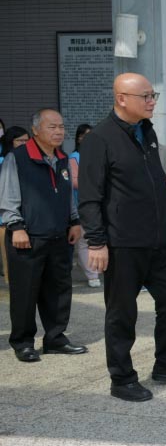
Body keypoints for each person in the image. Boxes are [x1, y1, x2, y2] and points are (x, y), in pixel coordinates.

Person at [79, 73, 166, 402]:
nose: (151, 101)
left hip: (159, 240)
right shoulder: (99, 140)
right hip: (122, 244)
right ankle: (122, 378)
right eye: (145, 96)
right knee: (121, 312)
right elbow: (90, 197)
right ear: (121, 99)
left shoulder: (146, 132)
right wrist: (97, 242)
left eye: (153, 95)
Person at [0, 109, 88, 362]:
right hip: (27, 237)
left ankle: (56, 338)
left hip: (59, 236)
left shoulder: (62, 158)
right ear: (36, 130)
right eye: (52, 127)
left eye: (61, 126)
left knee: (59, 290)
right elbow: (7, 196)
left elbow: (68, 195)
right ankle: (23, 342)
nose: (59, 131)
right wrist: (16, 227)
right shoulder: (17, 158)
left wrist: (74, 221)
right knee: (25, 292)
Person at [69, 124, 101, 288]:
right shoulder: (74, 157)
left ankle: (97, 269)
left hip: (101, 203)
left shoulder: (100, 154)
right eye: (85, 135)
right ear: (79, 138)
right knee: (83, 240)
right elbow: (74, 181)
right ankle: (92, 274)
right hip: (83, 204)